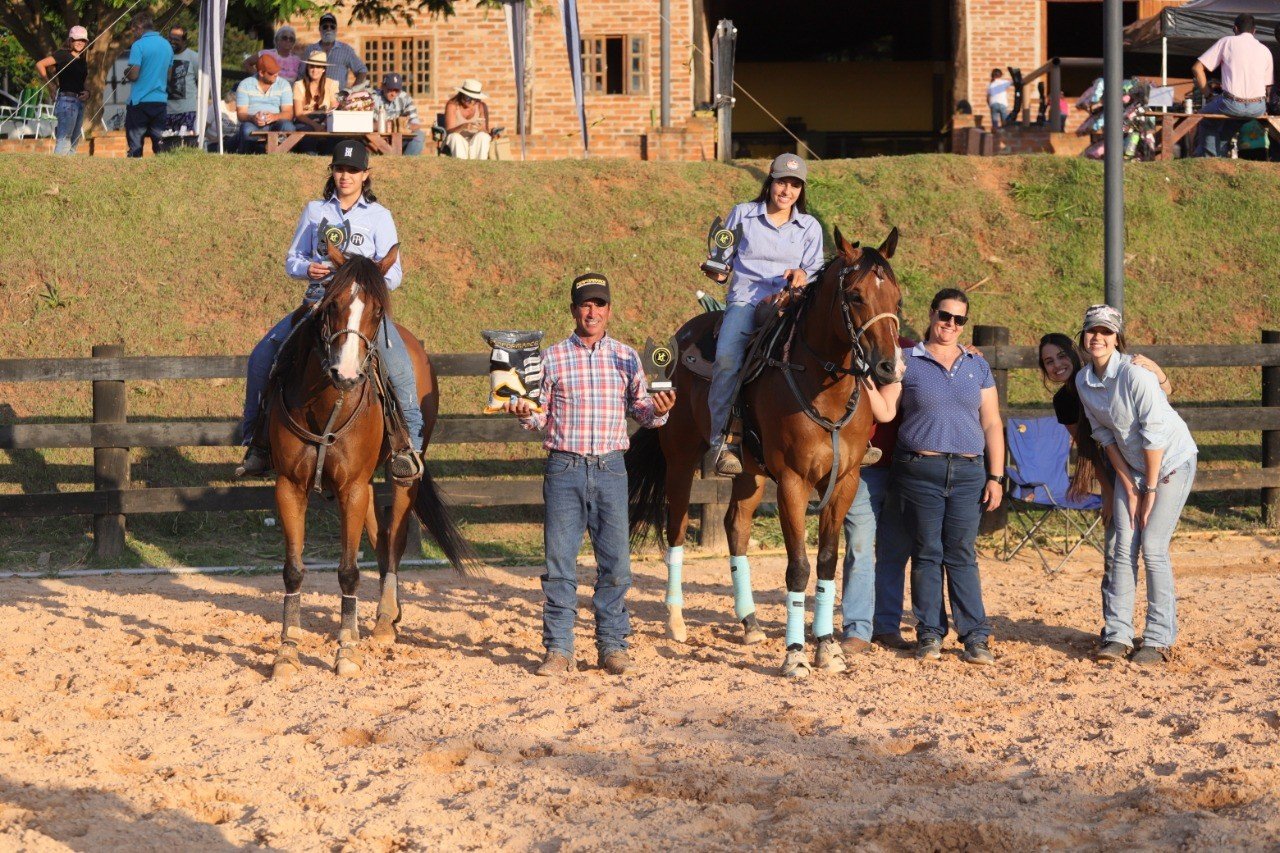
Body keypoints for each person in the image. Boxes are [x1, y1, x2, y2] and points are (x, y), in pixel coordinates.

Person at [504, 273, 675, 677]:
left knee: (616, 565)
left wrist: (663, 408)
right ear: (573, 310)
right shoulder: (550, 358)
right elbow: (541, 414)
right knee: (560, 565)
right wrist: (525, 413)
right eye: (585, 304)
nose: (592, 311)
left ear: (609, 310)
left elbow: (643, 412)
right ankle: (559, 649)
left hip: (611, 467)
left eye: (599, 304)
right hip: (565, 466)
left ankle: (613, 647)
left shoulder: (628, 357)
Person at [237, 140, 423, 483]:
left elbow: (394, 272)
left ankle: (409, 445)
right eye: (340, 169)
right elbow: (292, 259)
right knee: (262, 357)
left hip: (364, 309)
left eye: (353, 170)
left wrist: (366, 283)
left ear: (365, 175)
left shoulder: (380, 217)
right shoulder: (314, 211)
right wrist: (307, 269)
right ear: (332, 172)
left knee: (400, 364)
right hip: (318, 303)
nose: (345, 176)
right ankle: (257, 444)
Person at [862, 289, 1004, 665]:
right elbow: (888, 411)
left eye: (959, 320)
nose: (950, 325)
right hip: (920, 471)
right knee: (926, 553)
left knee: (961, 555)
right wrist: (865, 383)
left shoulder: (977, 364)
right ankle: (929, 633)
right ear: (931, 313)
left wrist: (997, 475)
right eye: (945, 315)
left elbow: (991, 422)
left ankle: (975, 636)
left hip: (969, 471)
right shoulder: (907, 359)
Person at [1074, 305, 1197, 666]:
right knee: (1121, 547)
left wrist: (1151, 490)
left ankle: (1158, 639)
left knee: (1154, 547)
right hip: (1132, 466)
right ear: (1083, 336)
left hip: (1170, 462)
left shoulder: (1135, 377)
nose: (1098, 337)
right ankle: (1118, 634)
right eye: (1092, 331)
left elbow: (1155, 434)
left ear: (1117, 339)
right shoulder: (1084, 382)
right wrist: (1128, 484)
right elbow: (1103, 434)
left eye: (1106, 332)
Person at [704, 153, 823, 476]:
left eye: (795, 185)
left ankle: (848, 432)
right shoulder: (742, 214)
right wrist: (715, 268)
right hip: (748, 300)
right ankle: (721, 441)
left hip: (792, 302)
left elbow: (815, 271)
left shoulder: (809, 226)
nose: (787, 190)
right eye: (783, 181)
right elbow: (721, 261)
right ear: (770, 180)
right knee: (727, 357)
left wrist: (802, 274)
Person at [1039, 333, 1171, 518]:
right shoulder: (1062, 401)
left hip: (1146, 456)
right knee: (1117, 528)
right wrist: (1107, 491)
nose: (1057, 365)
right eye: (1049, 361)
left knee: (1147, 527)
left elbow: (1165, 395)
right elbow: (1087, 447)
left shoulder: (1100, 374)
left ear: (1074, 353)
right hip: (1113, 463)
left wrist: (1158, 372)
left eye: (1062, 356)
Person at [1193, 13, 1272, 157]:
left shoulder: (1227, 42)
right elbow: (1268, 86)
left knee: (1205, 118)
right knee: (1231, 123)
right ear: (1254, 31)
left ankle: (1209, 158)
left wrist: (1208, 95)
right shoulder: (1265, 50)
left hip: (1232, 104)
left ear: (1235, 29)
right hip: (1257, 108)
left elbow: (1197, 68)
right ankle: (1221, 155)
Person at [123, 11, 173, 158]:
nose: (133, 34)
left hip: (139, 101)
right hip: (160, 101)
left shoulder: (138, 45)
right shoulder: (167, 45)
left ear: (139, 27)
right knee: (160, 146)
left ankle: (134, 178)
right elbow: (169, 76)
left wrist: (126, 71)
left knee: (135, 147)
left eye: (133, 30)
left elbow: (134, 74)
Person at [35, 26, 89, 156]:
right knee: (64, 139)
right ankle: (55, 172)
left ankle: (67, 174)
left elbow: (82, 82)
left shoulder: (82, 60)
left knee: (74, 142)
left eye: (83, 40)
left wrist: (87, 92)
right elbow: (40, 64)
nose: (80, 42)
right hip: (67, 102)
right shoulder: (63, 54)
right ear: (70, 40)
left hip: (79, 103)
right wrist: (50, 85)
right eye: (77, 39)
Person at [234, 53, 295, 153]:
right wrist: (252, 118)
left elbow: (289, 113)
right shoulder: (245, 85)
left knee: (288, 127)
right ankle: (245, 157)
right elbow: (241, 114)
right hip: (253, 122)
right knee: (246, 130)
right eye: (272, 73)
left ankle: (281, 157)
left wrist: (274, 117)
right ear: (261, 73)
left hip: (276, 122)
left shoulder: (284, 84)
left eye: (277, 71)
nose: (276, 75)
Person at [304, 13, 367, 88]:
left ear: (336, 29)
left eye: (332, 27)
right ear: (320, 29)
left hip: (337, 97)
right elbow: (302, 74)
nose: (329, 29)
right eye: (325, 26)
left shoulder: (346, 50)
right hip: (314, 96)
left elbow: (361, 70)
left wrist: (352, 91)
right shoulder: (310, 49)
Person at [373, 73, 426, 156]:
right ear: (382, 86)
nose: (393, 94)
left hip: (400, 139)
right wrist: (384, 125)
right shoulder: (373, 98)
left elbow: (416, 124)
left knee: (419, 135)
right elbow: (364, 125)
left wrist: (403, 126)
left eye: (397, 90)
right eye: (390, 89)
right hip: (376, 139)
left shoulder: (405, 98)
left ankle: (406, 164)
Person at [443, 80, 496, 159]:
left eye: (475, 99)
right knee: (454, 137)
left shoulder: (481, 106)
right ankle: (461, 166)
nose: (471, 101)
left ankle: (479, 165)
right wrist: (463, 126)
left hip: (475, 142)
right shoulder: (452, 105)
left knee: (483, 136)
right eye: (468, 97)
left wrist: (481, 129)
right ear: (461, 94)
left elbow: (485, 131)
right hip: (458, 141)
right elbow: (449, 131)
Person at [292, 51, 340, 132]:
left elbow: (333, 108)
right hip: (305, 121)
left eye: (318, 67)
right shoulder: (298, 85)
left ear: (323, 69)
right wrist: (315, 125)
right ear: (307, 68)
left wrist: (323, 124)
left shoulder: (332, 84)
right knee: (308, 130)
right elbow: (298, 114)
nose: (314, 70)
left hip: (326, 120)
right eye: (312, 67)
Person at [165, 26, 199, 137]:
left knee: (186, 142)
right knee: (166, 144)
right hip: (167, 110)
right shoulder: (163, 56)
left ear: (184, 41)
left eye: (176, 39)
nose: (172, 41)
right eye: (171, 38)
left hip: (187, 110)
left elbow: (201, 83)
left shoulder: (194, 57)